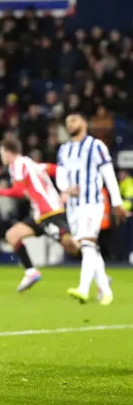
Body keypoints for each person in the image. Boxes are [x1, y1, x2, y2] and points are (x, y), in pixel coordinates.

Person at [0, 138, 79, 292]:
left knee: (70, 245)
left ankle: (97, 271)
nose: (1, 156)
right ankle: (31, 272)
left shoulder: (16, 164)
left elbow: (19, 191)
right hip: (39, 214)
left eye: (2, 152)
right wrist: (67, 189)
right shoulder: (29, 163)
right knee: (12, 235)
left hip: (50, 212)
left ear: (8, 152)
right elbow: (55, 169)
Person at [56, 113, 127, 305]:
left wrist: (117, 201)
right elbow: (61, 176)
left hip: (92, 203)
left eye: (74, 120)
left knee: (87, 244)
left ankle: (83, 289)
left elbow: (108, 173)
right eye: (67, 121)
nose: (70, 124)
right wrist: (65, 189)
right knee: (88, 249)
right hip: (73, 206)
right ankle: (106, 290)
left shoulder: (96, 146)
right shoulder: (64, 149)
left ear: (84, 123)